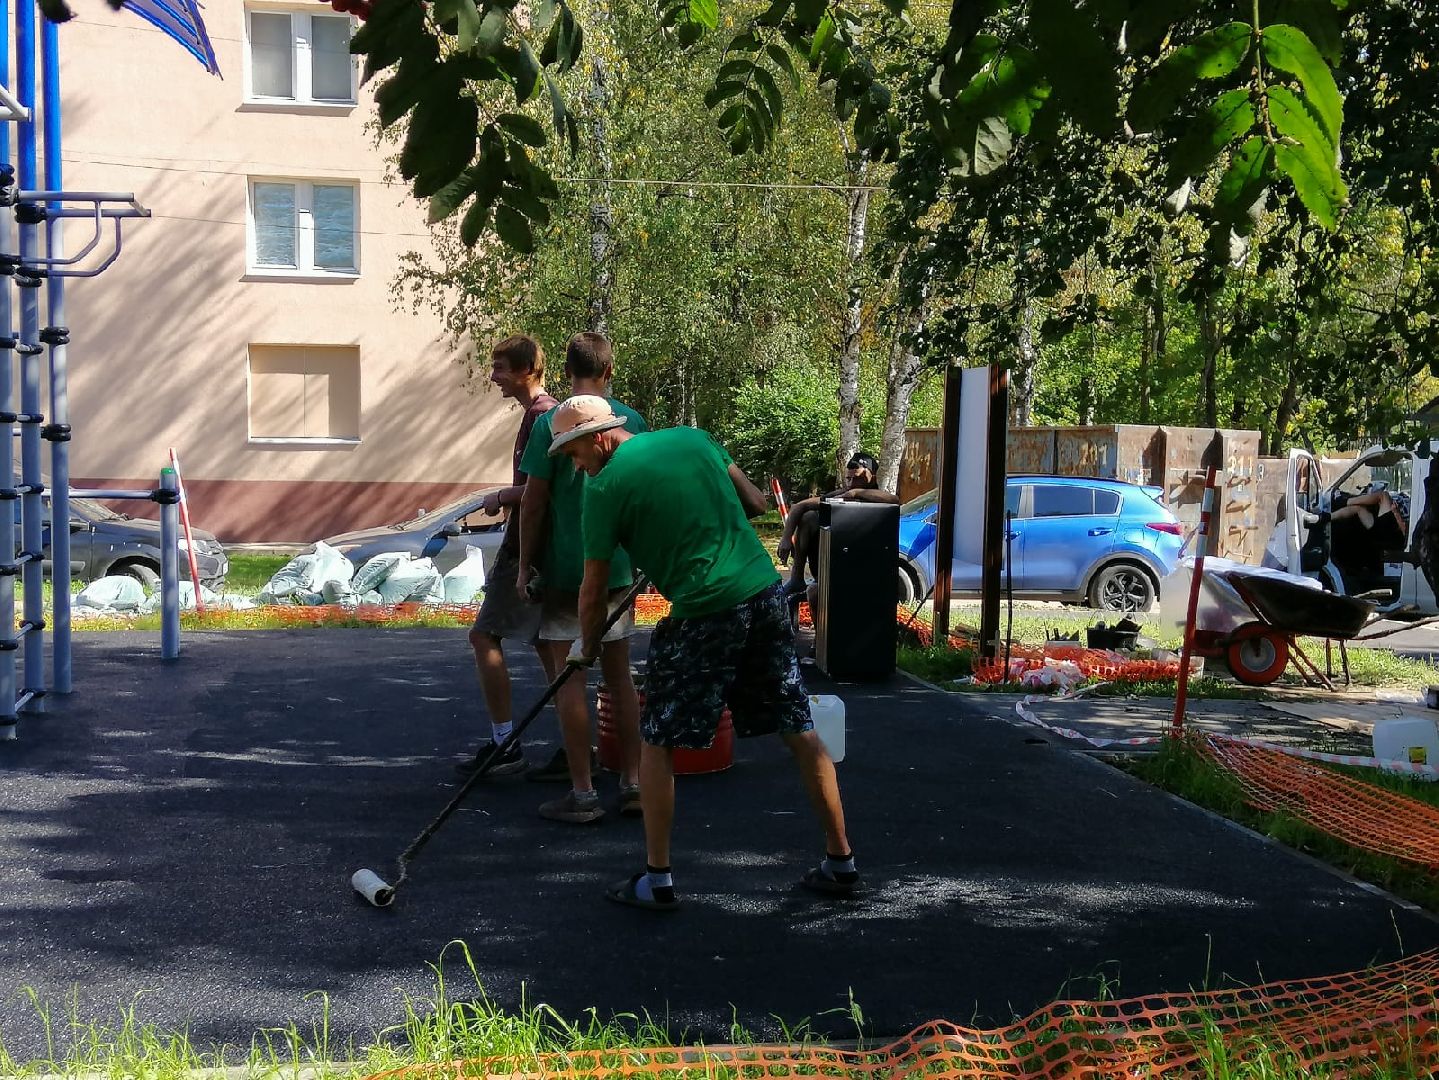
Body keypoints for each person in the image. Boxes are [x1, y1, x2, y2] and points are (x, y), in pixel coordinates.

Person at [551, 396, 860, 910]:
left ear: (599, 437)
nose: (573, 463)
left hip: (703, 613)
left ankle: (657, 879)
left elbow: (592, 587)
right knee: (799, 729)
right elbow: (756, 503)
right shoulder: (693, 440)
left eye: (572, 451)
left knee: (658, 740)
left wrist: (585, 648)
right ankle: (841, 861)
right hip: (762, 597)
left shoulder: (604, 489)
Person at [515, 333, 647, 823]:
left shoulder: (552, 420)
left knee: (569, 679)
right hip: (613, 568)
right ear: (609, 371)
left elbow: (533, 501)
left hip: (566, 568)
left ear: (566, 372)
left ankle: (583, 791)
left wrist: (526, 564)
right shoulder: (629, 420)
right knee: (619, 680)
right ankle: (633, 783)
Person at [455, 335, 558, 778]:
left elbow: (543, 489)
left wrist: (501, 495)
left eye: (499, 367)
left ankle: (505, 744)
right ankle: (577, 748)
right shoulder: (543, 413)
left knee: (484, 636)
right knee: (549, 646)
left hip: (527, 547)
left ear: (524, 371)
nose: (493, 376)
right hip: (540, 546)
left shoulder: (540, 415)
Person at [777, 452, 898, 599]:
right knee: (808, 517)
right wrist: (786, 538)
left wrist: (856, 493)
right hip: (834, 564)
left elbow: (894, 499)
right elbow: (799, 507)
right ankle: (797, 577)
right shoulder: (840, 494)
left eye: (858, 478)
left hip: (864, 569)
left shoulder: (875, 497)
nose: (852, 483)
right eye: (849, 479)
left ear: (871, 477)